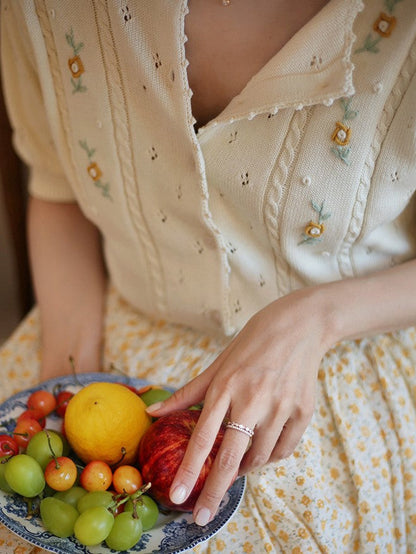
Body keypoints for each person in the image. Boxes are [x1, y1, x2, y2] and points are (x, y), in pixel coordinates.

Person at [1, 0, 416, 551]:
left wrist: (316, 317)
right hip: (104, 339)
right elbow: (56, 185)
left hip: (341, 363)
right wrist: (64, 392)